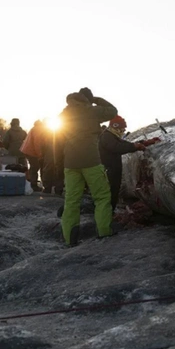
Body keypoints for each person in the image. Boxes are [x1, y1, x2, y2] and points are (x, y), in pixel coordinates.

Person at [58, 87, 117, 246]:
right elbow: (113, 111)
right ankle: (104, 231)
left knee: (71, 200)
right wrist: (97, 100)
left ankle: (70, 239)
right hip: (91, 161)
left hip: (70, 162)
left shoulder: (64, 113)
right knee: (102, 197)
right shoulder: (92, 111)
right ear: (88, 100)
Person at [99, 115, 158, 212]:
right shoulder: (107, 137)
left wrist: (144, 142)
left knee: (113, 193)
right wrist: (135, 147)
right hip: (108, 171)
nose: (123, 130)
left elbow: (124, 144)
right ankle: (105, 217)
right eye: (122, 128)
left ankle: (107, 215)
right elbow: (118, 147)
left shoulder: (112, 136)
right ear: (115, 126)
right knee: (109, 194)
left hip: (113, 170)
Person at [20, 120, 46, 191]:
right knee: (35, 167)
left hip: (27, 149)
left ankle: (31, 182)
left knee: (34, 167)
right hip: (31, 151)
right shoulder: (38, 129)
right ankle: (33, 185)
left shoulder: (34, 128)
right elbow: (37, 143)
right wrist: (40, 154)